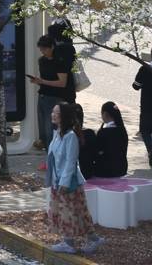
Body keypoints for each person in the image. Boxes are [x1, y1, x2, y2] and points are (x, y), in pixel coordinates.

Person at [46, 102, 104, 254]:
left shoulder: (70, 136)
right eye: (53, 112)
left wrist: (64, 183)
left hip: (68, 183)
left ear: (63, 116)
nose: (53, 115)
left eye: (56, 113)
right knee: (74, 212)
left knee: (71, 212)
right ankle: (89, 240)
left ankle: (72, 243)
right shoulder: (58, 133)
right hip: (58, 181)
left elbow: (71, 162)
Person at [30, 35, 73, 150]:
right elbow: (45, 80)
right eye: (41, 49)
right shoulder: (42, 61)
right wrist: (39, 82)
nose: (42, 51)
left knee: (51, 128)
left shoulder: (59, 61)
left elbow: (62, 83)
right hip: (43, 95)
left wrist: (42, 81)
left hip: (55, 97)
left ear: (52, 47)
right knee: (42, 127)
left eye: (45, 49)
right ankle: (45, 147)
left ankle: (52, 152)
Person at [133, 44, 152, 168]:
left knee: (145, 130)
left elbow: (136, 86)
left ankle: (151, 149)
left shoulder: (145, 69)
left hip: (147, 107)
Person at [93, 101, 129, 178]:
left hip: (106, 170)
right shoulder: (122, 130)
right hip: (122, 168)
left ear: (105, 114)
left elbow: (97, 151)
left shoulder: (103, 132)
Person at [73, 104, 98, 179]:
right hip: (88, 173)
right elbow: (96, 155)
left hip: (74, 175)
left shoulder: (68, 136)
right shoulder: (90, 133)